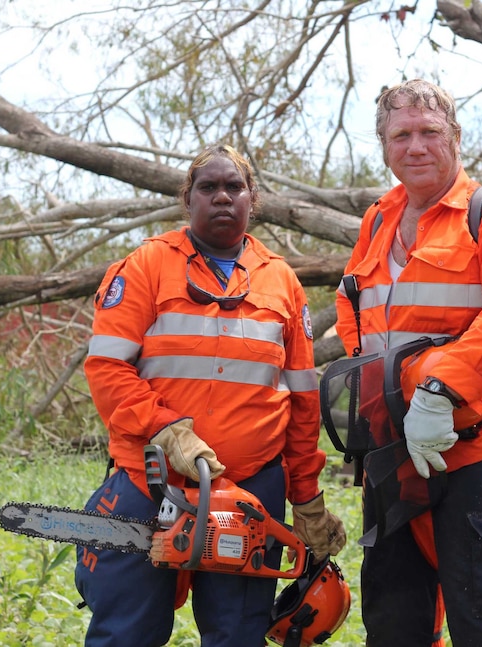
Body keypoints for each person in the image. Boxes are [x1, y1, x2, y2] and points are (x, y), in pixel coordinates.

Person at [75, 143, 347, 647]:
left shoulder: (281, 281)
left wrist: (306, 500)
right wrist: (165, 427)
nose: (222, 196)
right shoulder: (146, 266)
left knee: (238, 634)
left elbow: (302, 403)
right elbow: (107, 368)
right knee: (127, 630)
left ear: (252, 199)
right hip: (152, 480)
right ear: (188, 198)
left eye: (234, 187)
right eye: (209, 187)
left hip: (251, 490)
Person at [334, 79, 482, 646]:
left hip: (473, 452)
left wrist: (437, 391)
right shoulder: (379, 219)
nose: (416, 147)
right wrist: (375, 386)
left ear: (455, 137)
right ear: (384, 145)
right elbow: (351, 299)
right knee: (393, 625)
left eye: (430, 132)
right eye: (401, 135)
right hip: (392, 458)